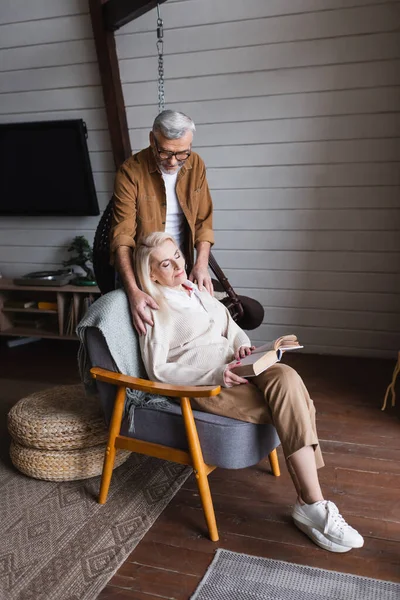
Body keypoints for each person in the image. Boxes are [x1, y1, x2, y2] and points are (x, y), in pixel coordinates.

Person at [134, 231, 365, 554]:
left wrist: (244, 346)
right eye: (166, 264)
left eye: (178, 257)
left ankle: (311, 505)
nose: (178, 267)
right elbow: (157, 368)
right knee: (297, 404)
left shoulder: (196, 291)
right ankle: (313, 503)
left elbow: (230, 326)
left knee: (286, 376)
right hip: (207, 384)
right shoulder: (154, 307)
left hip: (238, 367)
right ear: (151, 272)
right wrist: (215, 373)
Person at [110, 110, 214, 336]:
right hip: (144, 272)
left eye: (182, 153)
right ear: (152, 139)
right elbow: (122, 237)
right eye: (165, 152)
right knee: (150, 336)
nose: (173, 161)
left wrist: (201, 264)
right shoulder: (130, 172)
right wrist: (134, 290)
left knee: (190, 330)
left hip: (179, 267)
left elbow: (203, 222)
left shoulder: (195, 165)